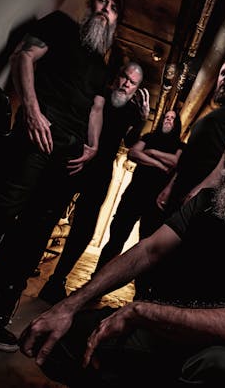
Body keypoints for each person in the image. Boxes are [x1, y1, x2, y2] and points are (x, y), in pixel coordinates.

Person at [19, 122, 225, 388]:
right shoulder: (203, 204)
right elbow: (148, 250)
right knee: (54, 339)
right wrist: (70, 305)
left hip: (212, 348)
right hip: (162, 333)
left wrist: (142, 312)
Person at [0, 0, 126, 353]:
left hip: (69, 156)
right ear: (90, 5)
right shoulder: (60, 26)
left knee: (33, 236)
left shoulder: (103, 64)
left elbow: (96, 109)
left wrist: (93, 147)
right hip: (37, 135)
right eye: (102, 2)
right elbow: (24, 56)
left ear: (115, 24)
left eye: (112, 9)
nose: (105, 9)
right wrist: (30, 109)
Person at [37, 62, 149, 304]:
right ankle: (26, 266)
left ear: (136, 88)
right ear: (117, 76)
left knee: (85, 229)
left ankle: (57, 280)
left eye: (132, 83)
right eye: (124, 77)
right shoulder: (98, 94)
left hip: (101, 172)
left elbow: (130, 143)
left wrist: (142, 120)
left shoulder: (131, 110)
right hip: (76, 160)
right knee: (49, 213)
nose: (126, 84)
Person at [156, 56, 225, 218]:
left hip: (202, 198)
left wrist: (203, 189)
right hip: (178, 193)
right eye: (223, 73)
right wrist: (170, 186)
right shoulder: (210, 116)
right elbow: (188, 156)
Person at [92, 110, 184, 292]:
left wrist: (150, 153)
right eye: (166, 117)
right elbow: (133, 153)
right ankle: (96, 283)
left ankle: (140, 293)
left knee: (148, 245)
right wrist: (159, 163)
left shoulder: (180, 146)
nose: (168, 120)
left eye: (172, 119)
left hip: (156, 202)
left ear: (176, 124)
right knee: (116, 239)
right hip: (134, 195)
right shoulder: (149, 137)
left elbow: (175, 162)